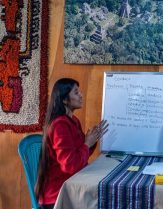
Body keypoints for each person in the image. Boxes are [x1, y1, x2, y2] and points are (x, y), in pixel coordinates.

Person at [35, 78, 109, 209]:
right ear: (64, 100)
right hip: (58, 195)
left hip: (72, 185)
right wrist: (87, 143)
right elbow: (70, 165)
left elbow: (79, 155)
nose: (81, 95)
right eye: (76, 92)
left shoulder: (73, 120)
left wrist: (92, 140)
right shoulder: (59, 125)